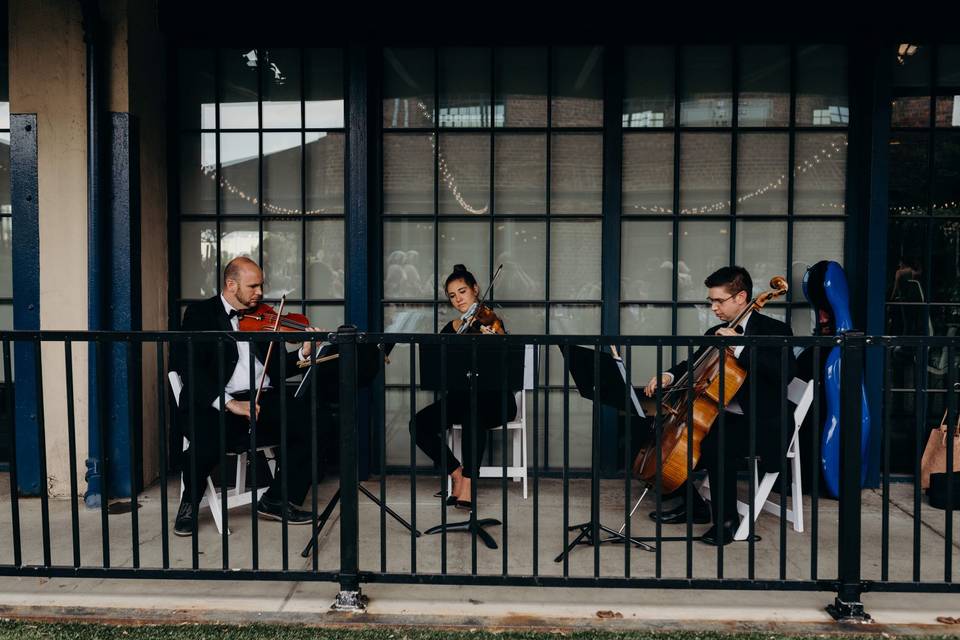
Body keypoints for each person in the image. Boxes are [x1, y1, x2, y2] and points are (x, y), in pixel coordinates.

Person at [172, 256, 327, 536]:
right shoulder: (200, 314)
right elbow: (190, 368)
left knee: (312, 423)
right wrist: (229, 403)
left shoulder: (265, 318)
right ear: (231, 285)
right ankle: (189, 504)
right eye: (253, 286)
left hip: (261, 399)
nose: (260, 292)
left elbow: (278, 369)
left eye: (261, 286)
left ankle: (277, 499)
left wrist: (305, 352)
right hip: (216, 400)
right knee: (206, 438)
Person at [643, 266, 795, 545]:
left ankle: (727, 522)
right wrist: (670, 375)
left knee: (714, 443)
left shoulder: (776, 330)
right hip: (719, 415)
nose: (713, 307)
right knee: (654, 430)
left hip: (761, 421)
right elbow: (694, 364)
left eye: (718, 300)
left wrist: (740, 347)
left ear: (741, 297)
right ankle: (695, 506)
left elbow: (782, 372)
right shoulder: (717, 331)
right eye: (711, 301)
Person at [411, 264, 517, 511]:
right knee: (418, 424)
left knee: (473, 414)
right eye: (452, 295)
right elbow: (441, 370)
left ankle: (469, 482)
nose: (458, 299)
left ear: (475, 290)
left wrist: (497, 338)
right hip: (461, 399)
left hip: (496, 400)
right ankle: (456, 472)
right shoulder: (450, 329)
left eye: (463, 292)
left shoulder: (491, 321)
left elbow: (508, 363)